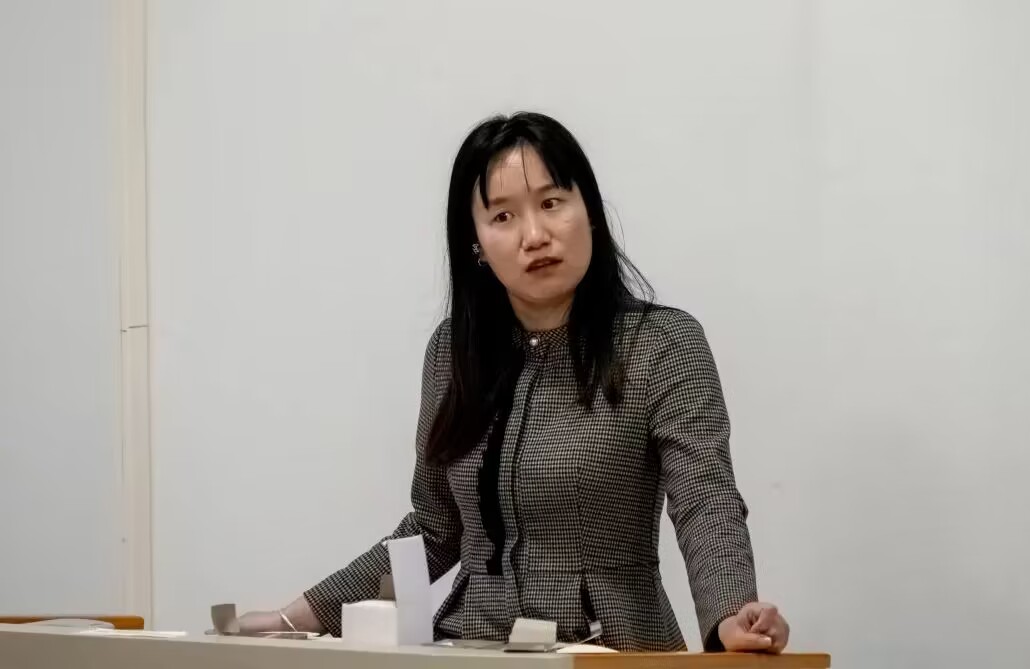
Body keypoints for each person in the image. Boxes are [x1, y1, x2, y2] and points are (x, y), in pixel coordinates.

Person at [236, 112, 790, 653]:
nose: (535, 235)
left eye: (552, 203)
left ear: (590, 213)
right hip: (469, 647)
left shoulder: (662, 343)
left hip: (611, 648)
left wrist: (729, 615)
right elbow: (434, 530)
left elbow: (704, 499)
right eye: (502, 216)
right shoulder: (452, 352)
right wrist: (295, 617)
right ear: (475, 242)